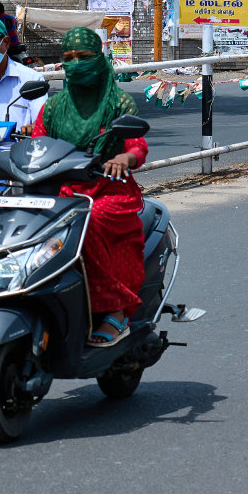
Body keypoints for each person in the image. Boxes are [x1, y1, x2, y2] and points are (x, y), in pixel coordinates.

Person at [26, 27, 147, 347]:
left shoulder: (117, 102)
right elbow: (37, 147)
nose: (76, 64)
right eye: (68, 58)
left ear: (99, 59)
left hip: (111, 192)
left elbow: (138, 148)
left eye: (83, 57)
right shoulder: (52, 108)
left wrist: (123, 157)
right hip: (64, 192)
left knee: (86, 224)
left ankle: (116, 310)